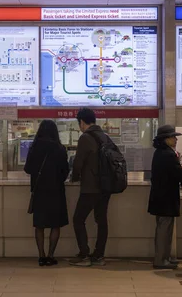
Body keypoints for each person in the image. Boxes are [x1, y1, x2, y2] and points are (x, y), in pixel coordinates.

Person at [24, 120, 70, 266]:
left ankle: (41, 256)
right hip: (56, 191)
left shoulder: (34, 148)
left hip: (39, 192)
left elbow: (27, 169)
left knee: (40, 225)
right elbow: (65, 171)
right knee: (55, 225)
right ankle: (51, 255)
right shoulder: (60, 148)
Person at [70, 108, 111, 267]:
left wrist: (73, 178)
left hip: (91, 187)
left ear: (81, 122)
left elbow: (78, 163)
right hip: (105, 187)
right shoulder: (105, 137)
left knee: (78, 219)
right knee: (101, 220)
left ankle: (84, 254)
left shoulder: (85, 138)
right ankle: (99, 255)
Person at [148, 125, 182, 269]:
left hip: (160, 197)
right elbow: (180, 174)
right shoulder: (169, 155)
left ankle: (164, 257)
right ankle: (160, 260)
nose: (176, 139)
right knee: (164, 229)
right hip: (166, 198)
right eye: (173, 137)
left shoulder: (159, 153)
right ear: (165, 139)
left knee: (163, 228)